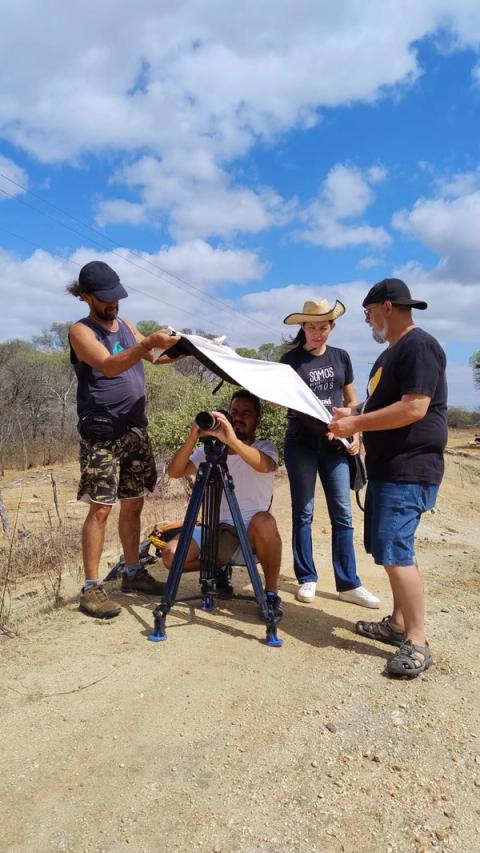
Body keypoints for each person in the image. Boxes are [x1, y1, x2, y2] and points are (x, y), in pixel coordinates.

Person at [330, 278, 448, 678]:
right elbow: (383, 402)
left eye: (368, 313)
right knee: (388, 548)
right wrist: (352, 412)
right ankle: (397, 624)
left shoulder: (419, 346)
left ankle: (417, 640)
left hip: (409, 468)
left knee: (396, 552)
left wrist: (357, 422)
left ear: (387, 307)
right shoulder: (390, 356)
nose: (367, 322)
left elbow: (415, 407)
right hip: (387, 469)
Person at [68, 260, 181, 618]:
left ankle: (133, 572)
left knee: (133, 502)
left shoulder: (127, 326)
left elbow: (154, 358)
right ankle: (91, 588)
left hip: (135, 428)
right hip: (102, 433)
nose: (113, 303)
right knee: (101, 507)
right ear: (85, 296)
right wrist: (147, 341)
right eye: (105, 298)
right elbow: (108, 364)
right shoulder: (80, 331)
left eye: (116, 295)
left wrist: (187, 347)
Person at [280, 299, 380, 608]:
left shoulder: (341, 357)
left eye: (323, 326)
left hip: (335, 444)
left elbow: (350, 399)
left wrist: (356, 432)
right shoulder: (290, 360)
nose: (317, 332)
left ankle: (348, 583)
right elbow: (277, 399)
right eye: (311, 326)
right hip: (301, 441)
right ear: (303, 327)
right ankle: (307, 577)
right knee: (304, 512)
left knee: (343, 512)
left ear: (332, 327)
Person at [162, 390, 283, 615]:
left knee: (266, 522)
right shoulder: (211, 451)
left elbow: (263, 465)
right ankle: (216, 566)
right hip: (215, 529)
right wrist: (193, 436)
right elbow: (175, 472)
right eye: (234, 412)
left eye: (246, 413)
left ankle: (271, 592)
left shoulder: (265, 447)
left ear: (258, 419)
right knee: (169, 556)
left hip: (250, 532)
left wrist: (232, 441)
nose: (239, 417)